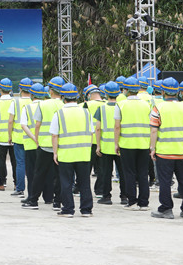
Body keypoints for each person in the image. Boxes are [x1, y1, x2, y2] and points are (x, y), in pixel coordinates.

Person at [150, 77, 183, 219]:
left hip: (164, 153)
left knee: (165, 182)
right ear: (178, 92)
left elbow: (154, 130)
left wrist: (152, 148)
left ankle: (166, 209)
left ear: (163, 92)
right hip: (182, 152)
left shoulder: (158, 108)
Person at [51, 83, 94, 218]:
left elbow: (54, 135)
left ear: (63, 97)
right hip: (83, 154)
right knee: (84, 183)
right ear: (77, 97)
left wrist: (55, 152)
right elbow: (91, 133)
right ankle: (86, 210)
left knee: (66, 183)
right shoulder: (86, 112)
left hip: (66, 154)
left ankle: (68, 209)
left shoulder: (59, 114)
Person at [22, 78, 64, 210]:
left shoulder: (43, 105)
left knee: (39, 173)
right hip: (60, 146)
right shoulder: (64, 105)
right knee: (59, 175)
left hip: (45, 145)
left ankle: (33, 200)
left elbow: (37, 125)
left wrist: (37, 140)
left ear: (50, 91)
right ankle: (57, 202)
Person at [115, 77, 151, 211]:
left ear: (125, 90)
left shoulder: (121, 105)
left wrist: (116, 143)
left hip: (127, 144)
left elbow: (117, 126)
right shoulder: (147, 104)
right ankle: (144, 203)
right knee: (143, 173)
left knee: (129, 173)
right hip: (144, 143)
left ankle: (132, 202)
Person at [94, 82, 128, 205]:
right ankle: (124, 197)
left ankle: (106, 197)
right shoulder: (122, 107)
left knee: (106, 173)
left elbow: (98, 128)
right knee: (123, 173)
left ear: (106, 94)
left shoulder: (101, 108)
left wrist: (98, 145)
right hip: (120, 146)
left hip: (106, 147)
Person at [6, 78, 32, 197]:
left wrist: (9, 136)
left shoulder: (15, 102)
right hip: (32, 139)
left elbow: (10, 121)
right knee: (32, 165)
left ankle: (20, 189)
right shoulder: (34, 102)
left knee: (20, 164)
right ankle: (34, 190)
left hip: (18, 138)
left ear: (20, 89)